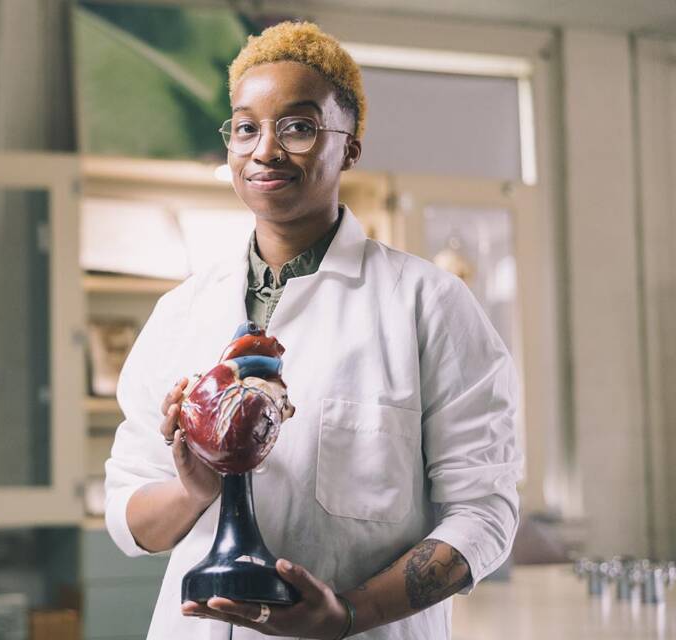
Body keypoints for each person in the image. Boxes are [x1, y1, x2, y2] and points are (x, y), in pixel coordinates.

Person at [104, 21, 521, 640]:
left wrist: (349, 613)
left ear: (350, 147)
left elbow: (484, 516)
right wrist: (191, 491)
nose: (265, 150)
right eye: (246, 127)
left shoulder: (428, 304)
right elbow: (130, 518)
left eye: (297, 126)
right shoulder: (180, 312)